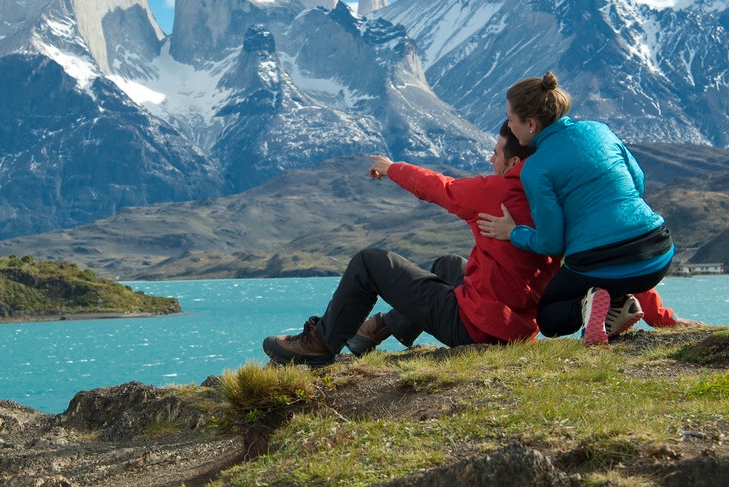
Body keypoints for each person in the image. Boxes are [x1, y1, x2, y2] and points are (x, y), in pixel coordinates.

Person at [262, 122, 560, 367]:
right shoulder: (554, 196)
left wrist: (391, 168)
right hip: (518, 328)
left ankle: (320, 345)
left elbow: (440, 188)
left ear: (515, 162)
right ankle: (378, 328)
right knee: (449, 265)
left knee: (370, 263)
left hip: (476, 329)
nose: (491, 161)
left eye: (496, 154)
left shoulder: (501, 191)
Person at [477, 71, 675, 346]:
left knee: (550, 317)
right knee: (612, 278)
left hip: (600, 263)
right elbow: (638, 182)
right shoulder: (599, 130)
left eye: (511, 120)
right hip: (658, 255)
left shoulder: (535, 167)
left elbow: (550, 242)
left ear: (531, 124)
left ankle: (591, 300)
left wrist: (513, 233)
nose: (509, 126)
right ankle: (615, 305)